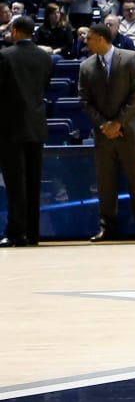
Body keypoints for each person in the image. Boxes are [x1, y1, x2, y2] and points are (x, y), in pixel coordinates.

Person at [78, 23, 135, 241]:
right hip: (103, 133)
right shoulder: (86, 66)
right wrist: (104, 124)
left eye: (90, 38)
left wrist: (118, 123)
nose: (86, 41)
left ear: (102, 39)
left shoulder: (131, 58)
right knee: (105, 181)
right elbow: (84, 101)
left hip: (130, 129)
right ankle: (107, 226)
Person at [0, 16, 53, 247]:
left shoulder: (5, 56)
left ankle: (15, 233)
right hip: (36, 125)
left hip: (10, 127)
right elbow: (45, 85)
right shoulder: (44, 57)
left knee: (15, 184)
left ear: (16, 31)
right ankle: (33, 234)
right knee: (34, 182)